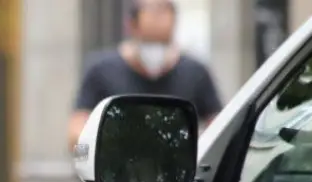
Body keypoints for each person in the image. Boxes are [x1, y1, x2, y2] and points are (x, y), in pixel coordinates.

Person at [68, 0, 222, 150]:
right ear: (131, 26)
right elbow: (76, 138)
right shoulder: (101, 71)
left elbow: (219, 129)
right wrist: (96, 151)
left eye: (162, 42)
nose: (155, 50)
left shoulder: (195, 73)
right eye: (149, 42)